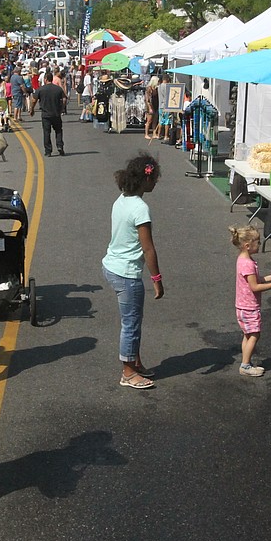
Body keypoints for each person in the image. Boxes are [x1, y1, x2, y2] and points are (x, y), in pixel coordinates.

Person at [102, 153, 164, 390]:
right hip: (126, 274)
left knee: (133, 320)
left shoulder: (121, 200)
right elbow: (148, 249)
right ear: (145, 180)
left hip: (112, 266)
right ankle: (128, 372)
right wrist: (156, 280)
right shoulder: (140, 208)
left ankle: (135, 362)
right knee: (131, 323)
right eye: (154, 178)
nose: (156, 182)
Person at [229, 225, 271, 376]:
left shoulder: (243, 260)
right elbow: (254, 287)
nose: (260, 244)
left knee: (248, 335)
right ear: (248, 245)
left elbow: (256, 280)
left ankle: (246, 361)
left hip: (242, 305)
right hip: (249, 306)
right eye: (258, 242)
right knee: (255, 334)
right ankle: (245, 365)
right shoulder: (248, 264)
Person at [37, 72, 67, 157]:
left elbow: (33, 100)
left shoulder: (41, 89)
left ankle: (48, 151)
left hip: (46, 115)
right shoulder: (58, 89)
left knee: (47, 132)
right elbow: (64, 99)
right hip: (56, 113)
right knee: (58, 130)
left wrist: (31, 109)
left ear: (45, 79)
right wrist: (62, 108)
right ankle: (60, 146)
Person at [144, 75, 161, 142]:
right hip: (150, 106)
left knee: (155, 120)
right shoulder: (149, 89)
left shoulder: (156, 89)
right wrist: (150, 108)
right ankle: (146, 134)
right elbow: (147, 100)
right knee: (149, 120)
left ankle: (154, 133)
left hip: (156, 105)